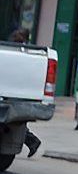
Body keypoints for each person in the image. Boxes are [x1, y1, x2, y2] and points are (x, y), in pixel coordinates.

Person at [8, 28, 42, 156]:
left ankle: (32, 141)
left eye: (20, 35)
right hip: (12, 89)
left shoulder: (28, 52)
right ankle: (32, 141)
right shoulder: (13, 48)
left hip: (19, 91)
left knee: (16, 121)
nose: (16, 36)